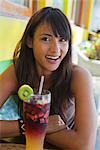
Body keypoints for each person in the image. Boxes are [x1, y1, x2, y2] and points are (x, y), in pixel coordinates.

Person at [0, 7, 97, 149]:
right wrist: (40, 124)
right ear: (29, 41)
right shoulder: (18, 70)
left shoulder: (78, 76)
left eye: (62, 40)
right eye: (45, 39)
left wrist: (32, 126)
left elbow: (84, 145)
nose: (55, 49)